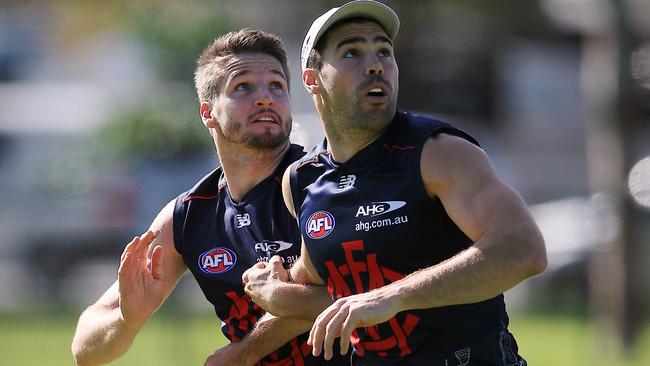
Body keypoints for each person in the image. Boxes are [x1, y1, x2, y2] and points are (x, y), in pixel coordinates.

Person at [243, 1, 548, 365]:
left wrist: (393, 296)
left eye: (384, 52)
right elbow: (331, 288)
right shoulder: (302, 180)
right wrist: (271, 299)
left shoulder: (436, 152)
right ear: (313, 79)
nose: (375, 65)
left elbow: (523, 249)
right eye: (352, 52)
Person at [71, 28, 347, 366]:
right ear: (208, 113)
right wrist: (127, 320)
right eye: (243, 87)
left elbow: (358, 295)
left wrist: (249, 349)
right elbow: (85, 351)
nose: (265, 97)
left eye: (277, 85)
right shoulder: (189, 216)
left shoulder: (325, 183)